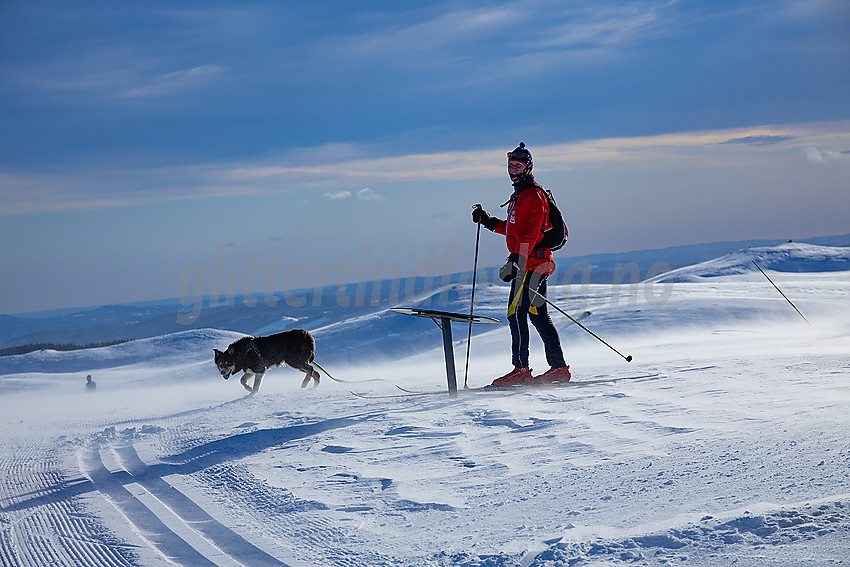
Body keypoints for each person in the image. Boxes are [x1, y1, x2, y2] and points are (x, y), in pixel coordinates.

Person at [472, 142, 571, 386]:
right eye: (510, 165)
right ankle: (558, 368)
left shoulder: (533, 196)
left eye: (518, 165)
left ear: (528, 168)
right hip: (536, 263)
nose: (513, 170)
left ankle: (521, 370)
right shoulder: (521, 195)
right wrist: (489, 222)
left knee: (515, 313)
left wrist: (517, 262)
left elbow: (529, 235)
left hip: (531, 266)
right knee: (537, 315)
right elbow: (515, 229)